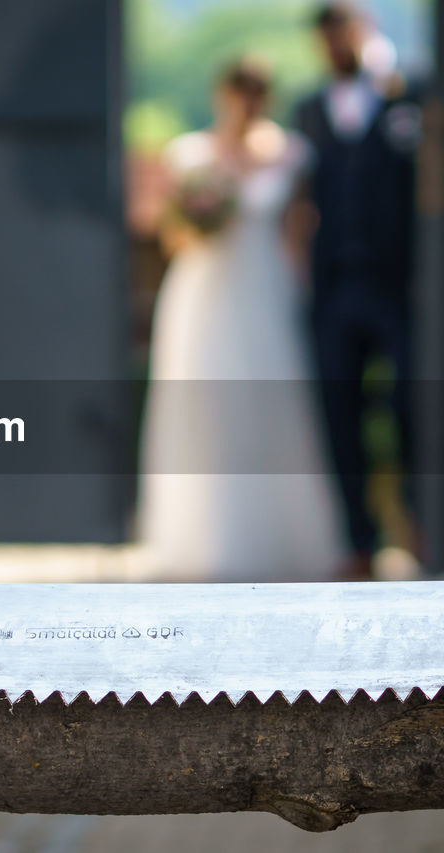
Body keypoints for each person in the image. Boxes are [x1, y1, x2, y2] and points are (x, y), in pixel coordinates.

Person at [138, 57, 344, 582]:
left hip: (263, 291)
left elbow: (297, 232)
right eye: (238, 93)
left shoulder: (291, 155)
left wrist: (301, 291)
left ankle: (276, 540)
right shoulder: (190, 154)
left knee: (268, 403)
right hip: (203, 295)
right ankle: (203, 537)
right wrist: (200, 217)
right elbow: (170, 236)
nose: (246, 104)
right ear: (221, 95)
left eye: (255, 94)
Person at [294, 3, 423, 579]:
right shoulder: (308, 111)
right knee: (339, 414)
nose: (335, 44)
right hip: (335, 289)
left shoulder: (409, 97)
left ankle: (418, 526)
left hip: (397, 287)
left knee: (410, 406)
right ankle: (360, 542)